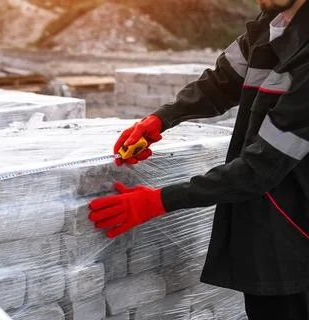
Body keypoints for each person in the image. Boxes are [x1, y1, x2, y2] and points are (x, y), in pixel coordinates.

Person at [88, 0, 309, 319]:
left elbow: (261, 167)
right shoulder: (270, 25)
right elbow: (220, 83)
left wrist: (158, 201)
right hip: (262, 225)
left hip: (294, 235)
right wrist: (161, 118)